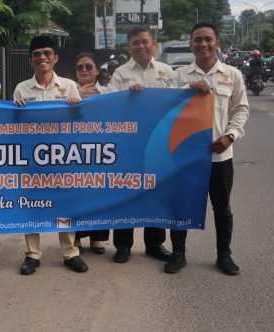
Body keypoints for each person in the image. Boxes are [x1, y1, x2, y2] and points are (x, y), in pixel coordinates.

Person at [166, 22, 250, 275]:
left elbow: (241, 109)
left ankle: (224, 255)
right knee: (180, 206)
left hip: (220, 156)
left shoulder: (232, 74)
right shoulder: (179, 75)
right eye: (197, 40)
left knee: (221, 208)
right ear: (191, 44)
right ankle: (178, 254)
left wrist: (230, 136)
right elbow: (166, 107)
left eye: (208, 39)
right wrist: (188, 89)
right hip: (186, 156)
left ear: (217, 43)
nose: (203, 44)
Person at [13, 35, 89, 275]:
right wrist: (17, 112)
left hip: (63, 156)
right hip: (32, 158)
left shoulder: (68, 87)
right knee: (31, 204)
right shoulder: (21, 89)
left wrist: (78, 107)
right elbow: (13, 126)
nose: (42, 57)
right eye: (37, 54)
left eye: (47, 53)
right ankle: (32, 255)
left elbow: (80, 123)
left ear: (55, 58)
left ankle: (70, 253)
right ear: (30, 60)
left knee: (64, 203)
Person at [105, 26, 173, 264]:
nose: (141, 46)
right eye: (135, 43)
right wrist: (128, 96)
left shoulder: (167, 72)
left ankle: (155, 243)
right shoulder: (121, 74)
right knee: (126, 193)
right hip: (128, 145)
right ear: (129, 47)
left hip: (159, 144)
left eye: (145, 42)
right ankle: (123, 245)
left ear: (154, 44)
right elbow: (109, 104)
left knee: (157, 192)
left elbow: (178, 105)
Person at [72, 52, 110, 254]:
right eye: (80, 67)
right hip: (74, 151)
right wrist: (78, 97)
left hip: (102, 150)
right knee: (77, 194)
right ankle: (76, 238)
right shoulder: (68, 89)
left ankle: (97, 238)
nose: (84, 70)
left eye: (88, 66)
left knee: (99, 193)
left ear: (96, 70)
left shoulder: (108, 91)